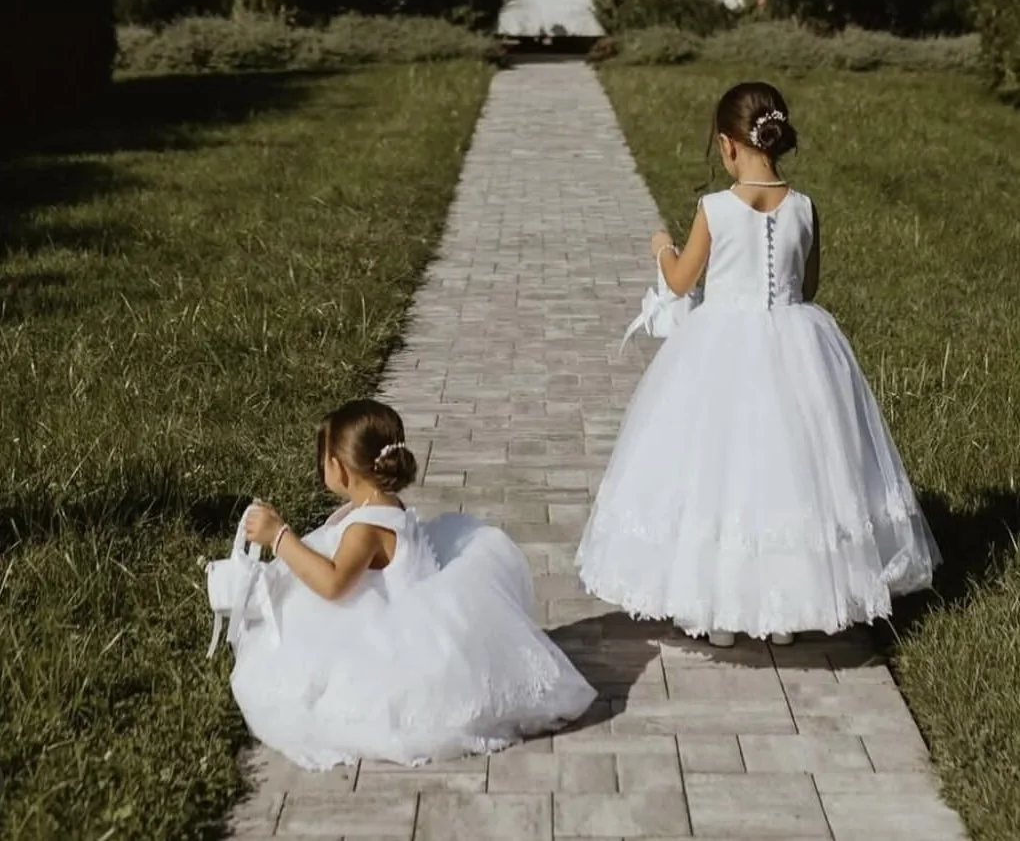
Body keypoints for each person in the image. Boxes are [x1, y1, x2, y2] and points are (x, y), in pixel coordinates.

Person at [576, 81, 940, 646]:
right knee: (789, 469)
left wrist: (660, 245)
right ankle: (785, 610)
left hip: (720, 349)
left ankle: (720, 612)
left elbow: (680, 280)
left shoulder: (715, 208)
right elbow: (809, 284)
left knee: (720, 468)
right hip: (798, 345)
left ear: (727, 145)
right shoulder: (804, 207)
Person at [225, 398, 596, 767]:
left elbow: (333, 583)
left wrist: (280, 538)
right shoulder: (384, 504)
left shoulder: (366, 526)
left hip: (394, 636)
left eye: (322, 458)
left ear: (339, 467)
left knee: (303, 675)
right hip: (412, 610)